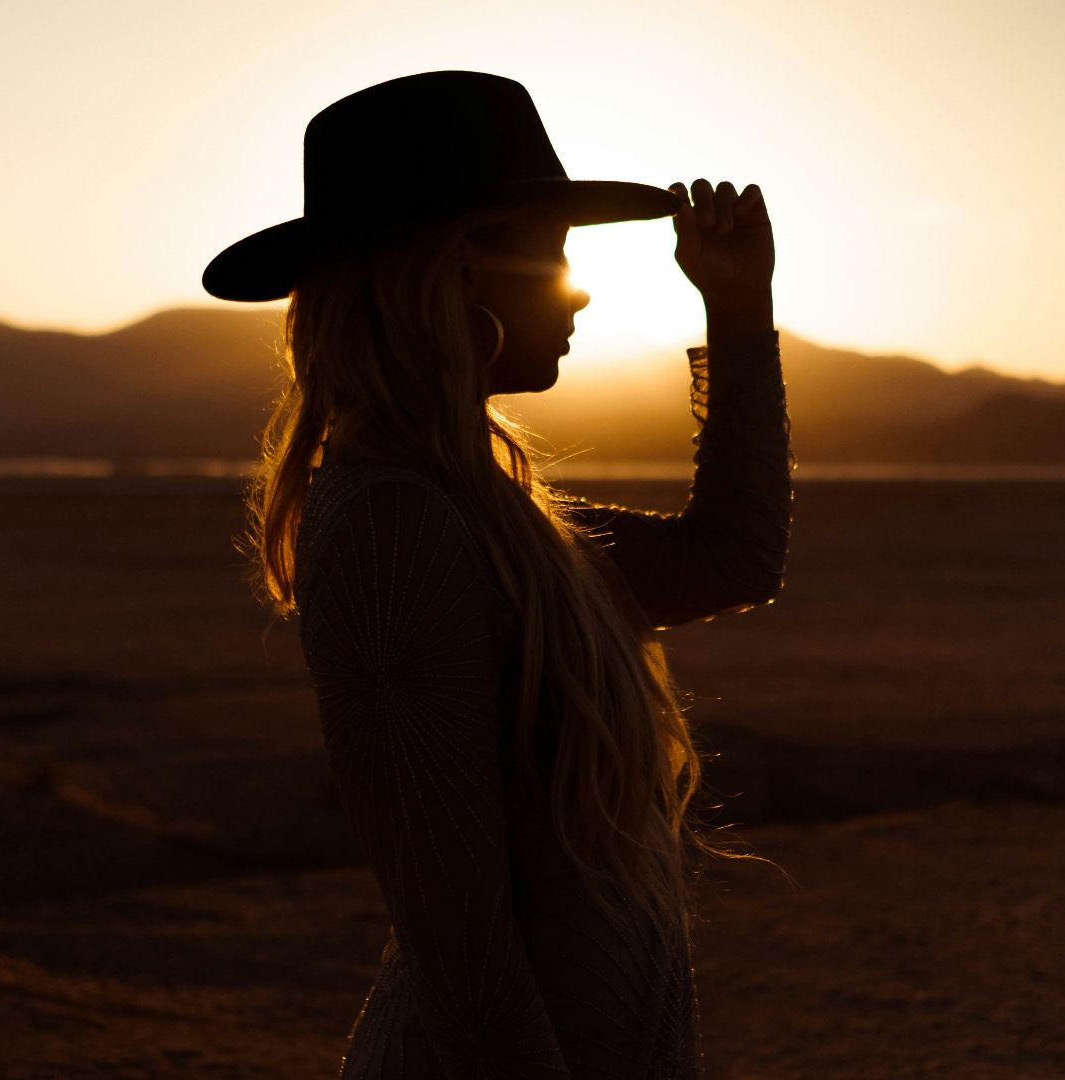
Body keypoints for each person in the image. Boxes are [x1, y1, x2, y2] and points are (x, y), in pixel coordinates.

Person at [207, 70, 793, 1078]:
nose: (579, 286)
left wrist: (740, 314)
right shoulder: (393, 531)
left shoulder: (493, 517)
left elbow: (728, 559)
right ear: (461, 264)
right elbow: (460, 948)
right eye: (554, 249)